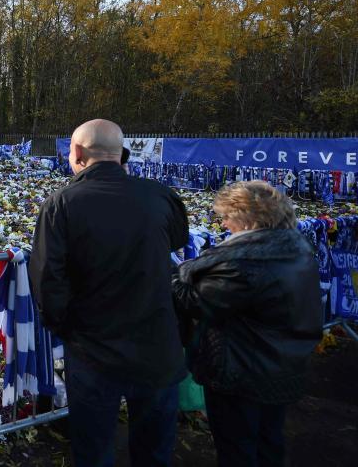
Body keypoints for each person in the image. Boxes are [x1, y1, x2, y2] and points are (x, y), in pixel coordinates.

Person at [30, 119, 189, 467]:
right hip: (157, 345)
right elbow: (176, 241)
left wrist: (65, 327)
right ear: (122, 155)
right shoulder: (160, 195)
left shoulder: (62, 204)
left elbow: (46, 280)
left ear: (77, 153)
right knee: (154, 452)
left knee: (94, 451)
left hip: (93, 351)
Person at [172, 181, 322, 467]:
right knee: (268, 441)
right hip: (281, 366)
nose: (223, 223)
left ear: (247, 217)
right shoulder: (296, 249)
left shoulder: (245, 262)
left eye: (227, 216)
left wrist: (172, 271)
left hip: (242, 372)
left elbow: (193, 301)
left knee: (237, 448)